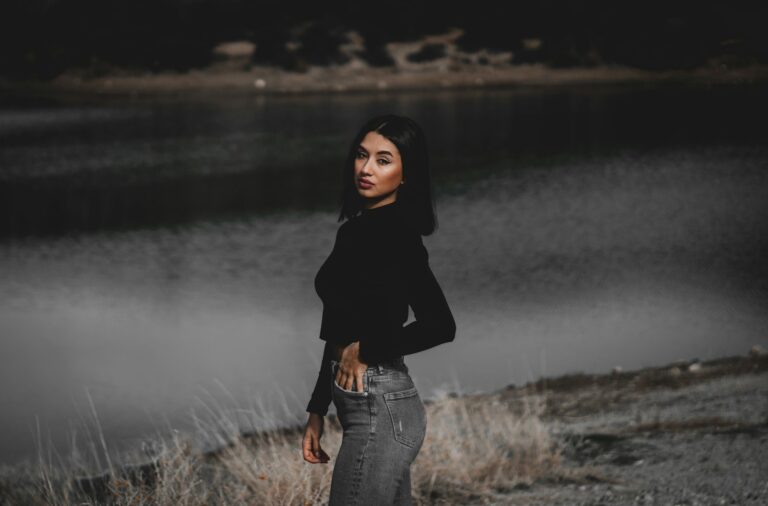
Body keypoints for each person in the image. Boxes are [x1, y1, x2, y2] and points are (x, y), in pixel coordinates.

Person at [301, 114, 457, 505]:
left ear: (406, 174)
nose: (366, 168)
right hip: (360, 407)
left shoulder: (399, 234)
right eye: (361, 155)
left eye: (383, 160)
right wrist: (318, 409)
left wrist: (368, 349)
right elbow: (338, 326)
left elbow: (440, 325)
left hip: (381, 409)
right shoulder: (353, 230)